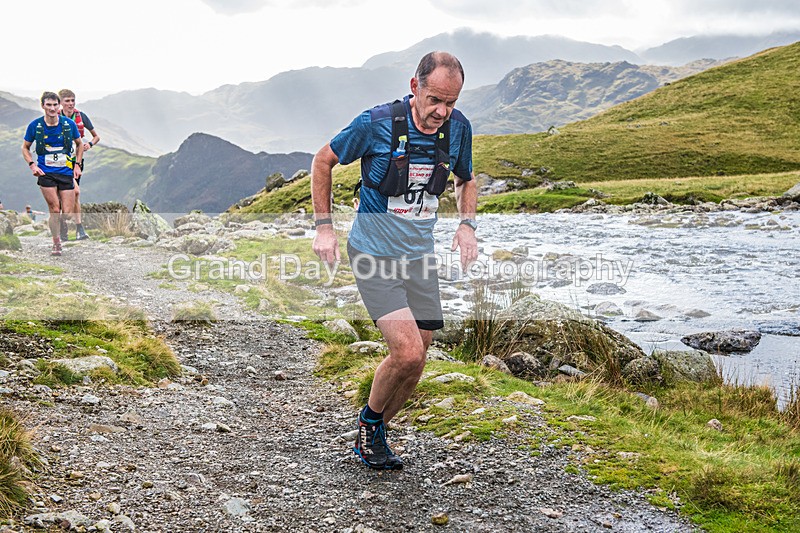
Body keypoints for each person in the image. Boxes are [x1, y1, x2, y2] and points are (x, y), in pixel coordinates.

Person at [311, 51, 478, 470]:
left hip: (419, 257)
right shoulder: (376, 124)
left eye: (451, 102)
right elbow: (322, 160)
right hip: (374, 254)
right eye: (435, 99)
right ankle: (370, 424)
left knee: (421, 351)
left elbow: (466, 178)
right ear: (414, 86)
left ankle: (374, 430)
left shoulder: (458, 130)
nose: (442, 111)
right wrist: (325, 227)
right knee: (406, 352)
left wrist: (466, 225)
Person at [22, 91, 82, 256]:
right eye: (48, 105)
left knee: (68, 213)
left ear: (59, 106)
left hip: (65, 172)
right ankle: (56, 243)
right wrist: (32, 165)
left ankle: (61, 225)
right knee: (54, 209)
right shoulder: (35, 126)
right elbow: (25, 147)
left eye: (55, 104)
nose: (52, 108)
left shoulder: (69, 124)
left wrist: (77, 165)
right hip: (45, 172)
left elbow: (79, 144)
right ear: (43, 106)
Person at [58, 89, 99, 241]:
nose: (70, 103)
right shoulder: (55, 118)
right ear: (60, 102)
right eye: (67, 101)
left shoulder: (81, 116)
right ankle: (65, 225)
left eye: (72, 100)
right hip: (59, 161)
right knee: (66, 195)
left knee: (74, 194)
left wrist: (89, 144)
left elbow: (96, 137)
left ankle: (78, 229)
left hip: (76, 161)